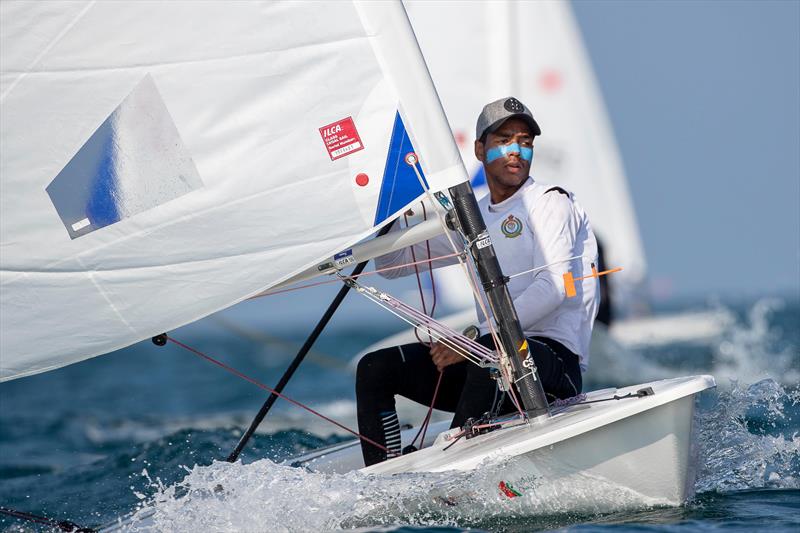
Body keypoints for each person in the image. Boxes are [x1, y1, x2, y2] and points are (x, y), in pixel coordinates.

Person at [356, 97, 600, 466]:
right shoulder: (473, 215)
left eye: (525, 142)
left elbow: (551, 288)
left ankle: (451, 462)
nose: (516, 150)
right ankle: (382, 478)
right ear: (480, 149)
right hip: (488, 363)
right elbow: (391, 266)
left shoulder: (551, 203)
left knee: (495, 356)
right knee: (375, 368)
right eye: (504, 140)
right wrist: (391, 211)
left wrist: (475, 340)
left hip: (552, 367)